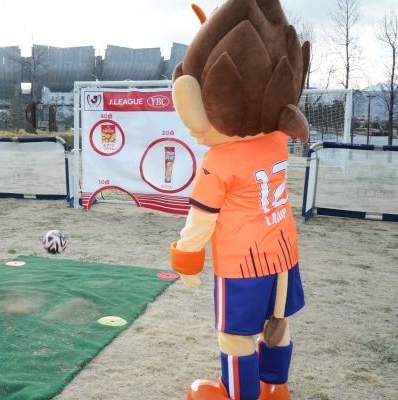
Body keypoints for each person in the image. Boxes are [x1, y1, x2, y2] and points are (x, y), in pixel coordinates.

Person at [168, 1, 309, 399]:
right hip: (284, 253)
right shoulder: (277, 141)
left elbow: (201, 219)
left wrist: (186, 257)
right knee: (277, 324)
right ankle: (275, 387)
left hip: (243, 263)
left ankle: (239, 395)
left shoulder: (219, 161)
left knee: (235, 335)